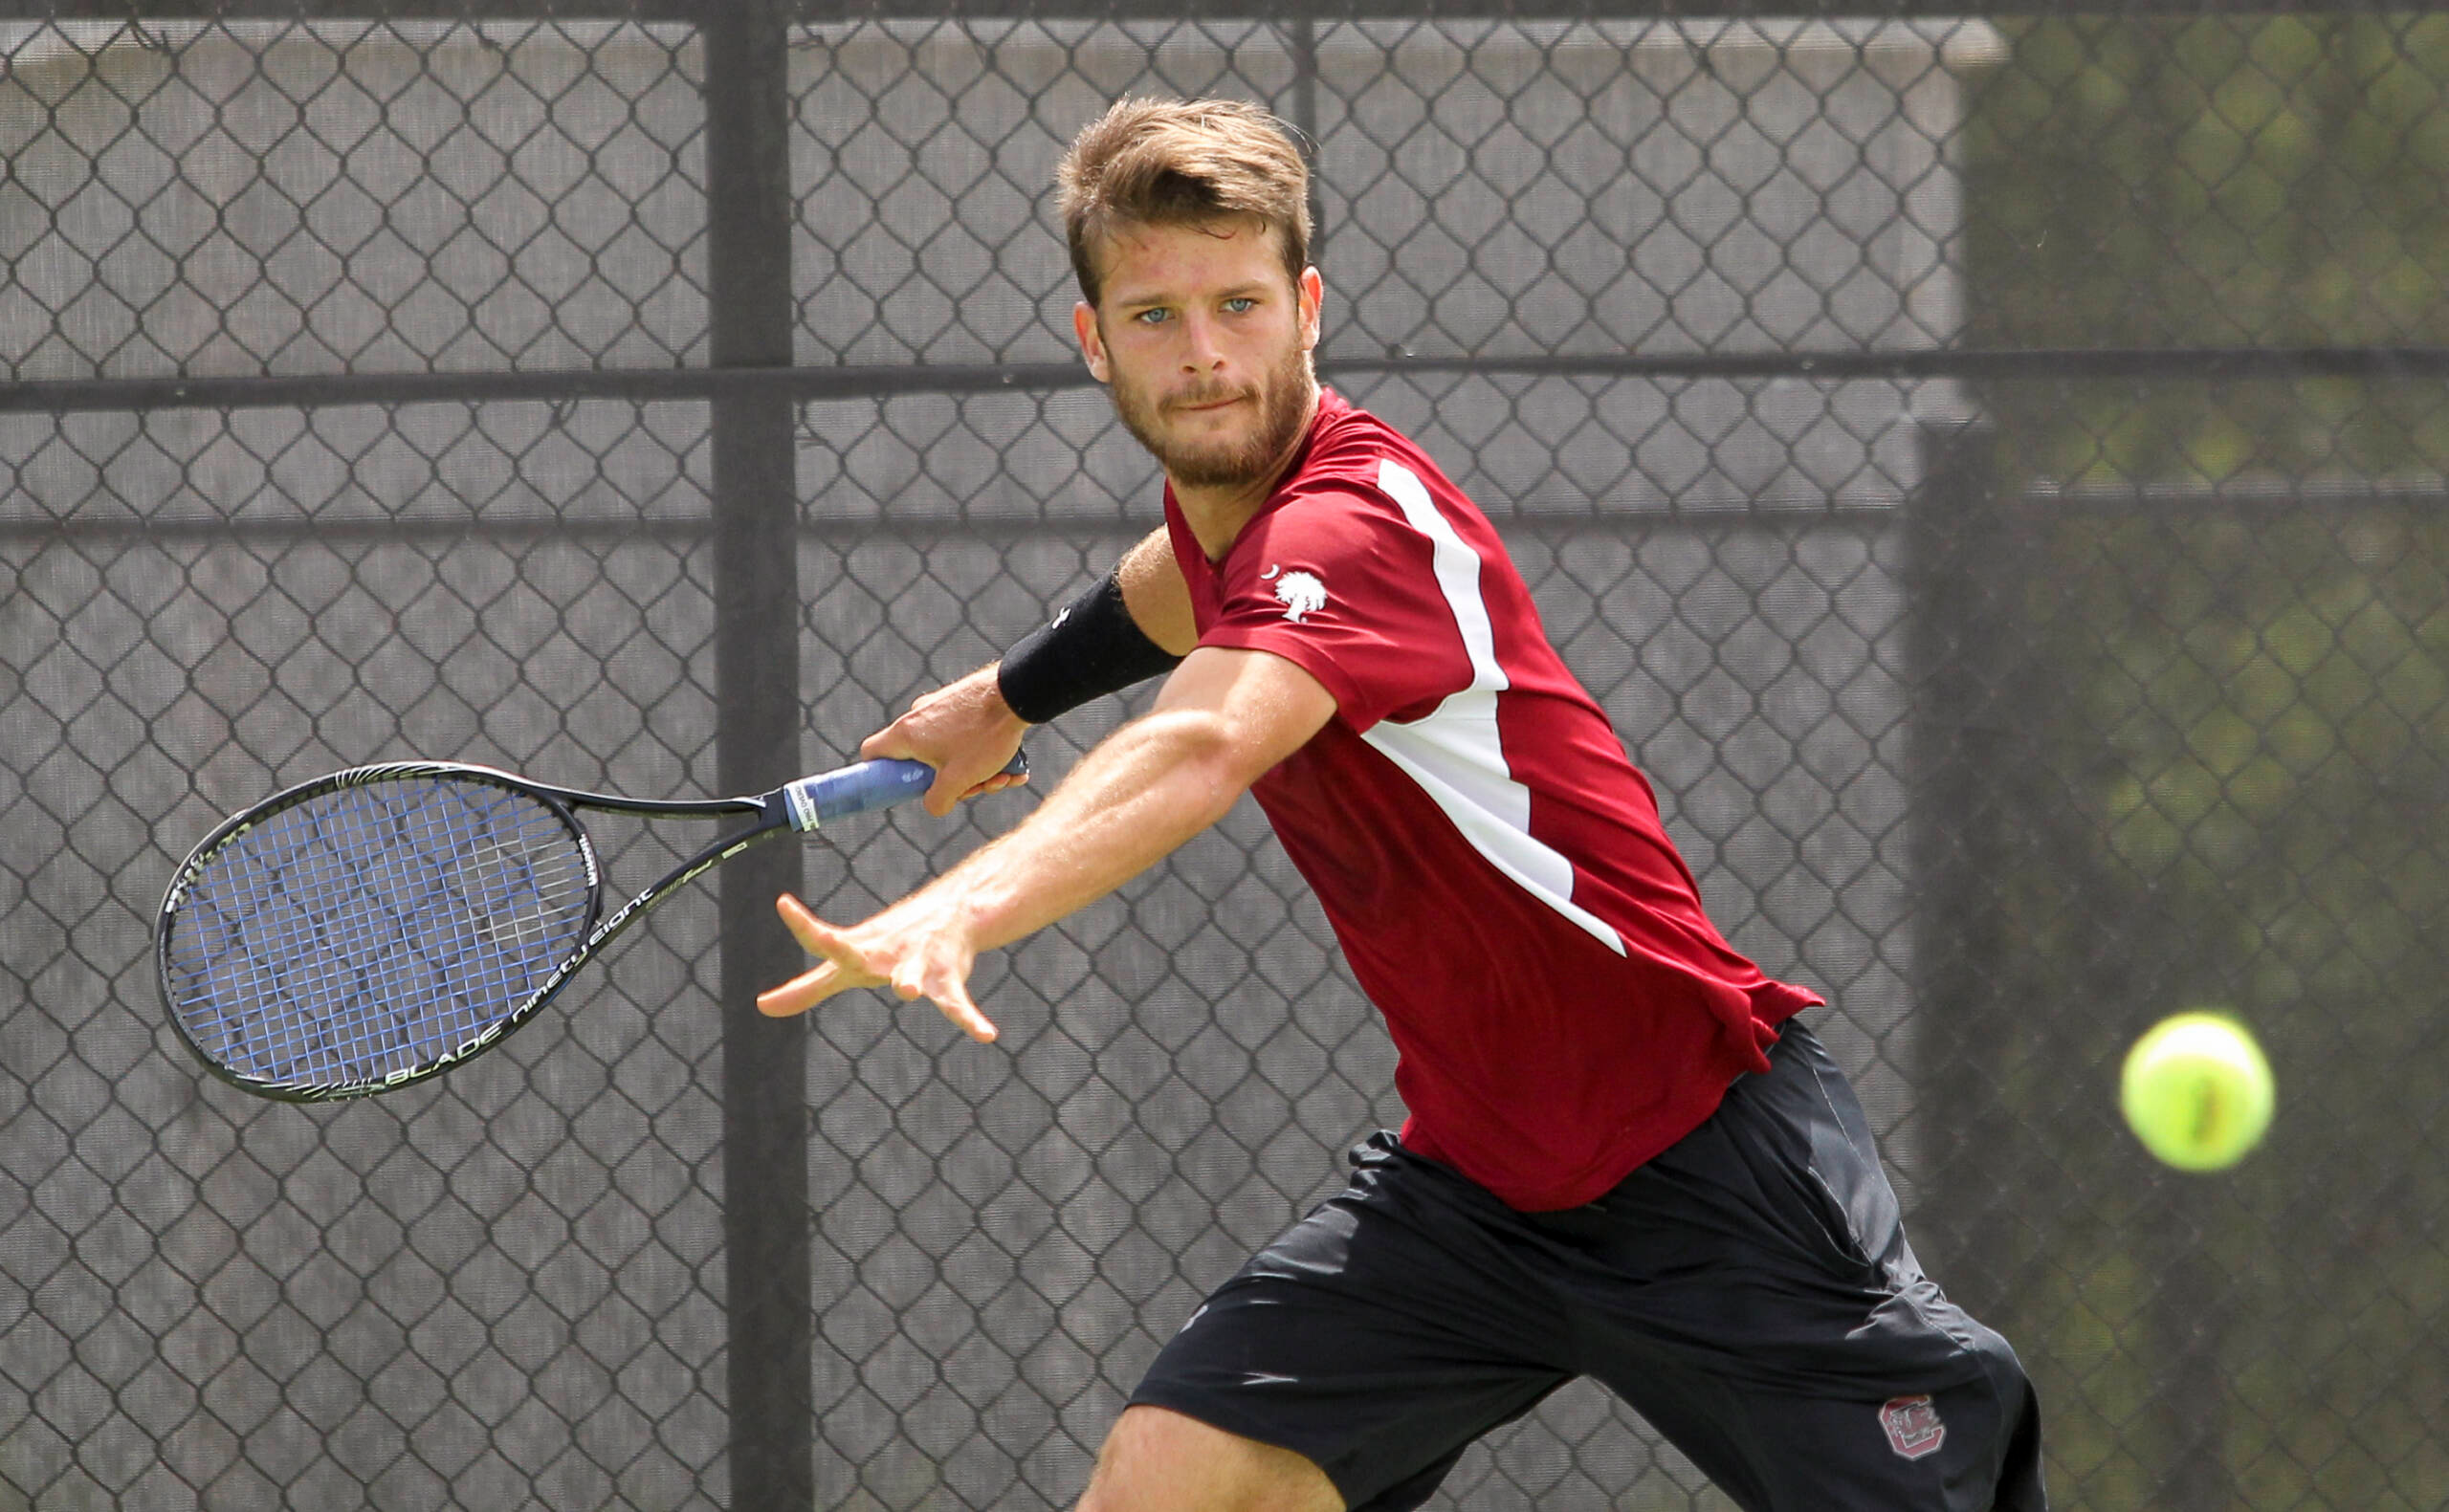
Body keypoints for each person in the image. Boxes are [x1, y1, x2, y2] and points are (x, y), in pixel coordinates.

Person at [758, 97, 2045, 1512]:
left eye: (1239, 305)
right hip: (1477, 1191)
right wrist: (1005, 697)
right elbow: (1179, 584)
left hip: (1698, 1152)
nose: (1203, 358)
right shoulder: (1232, 506)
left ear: (1306, 308)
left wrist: (963, 906)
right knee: (1172, 1483)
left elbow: (1199, 751)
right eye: (1155, 317)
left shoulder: (1355, 525)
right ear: (1094, 342)